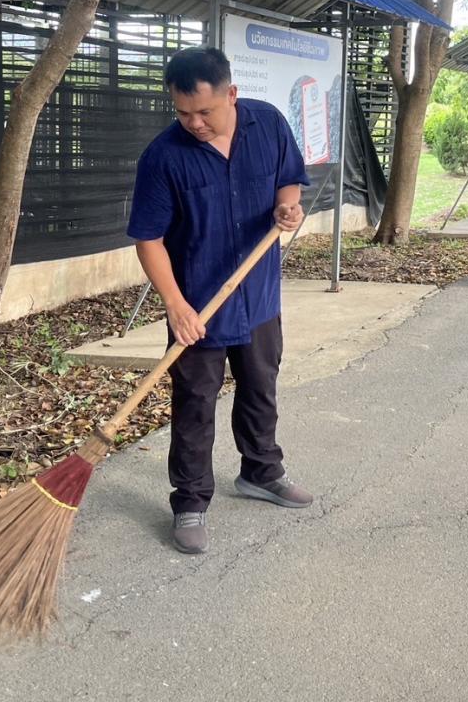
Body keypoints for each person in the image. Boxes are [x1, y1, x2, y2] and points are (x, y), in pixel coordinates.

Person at [127, 46, 313, 555]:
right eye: (182, 113)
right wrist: (174, 304)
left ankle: (261, 472)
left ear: (231, 94)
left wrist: (287, 210)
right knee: (194, 405)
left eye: (204, 112)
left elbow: (288, 180)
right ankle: (190, 501)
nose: (194, 123)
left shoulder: (268, 124)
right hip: (197, 305)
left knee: (260, 386)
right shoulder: (164, 157)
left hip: (257, 295)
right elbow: (149, 239)